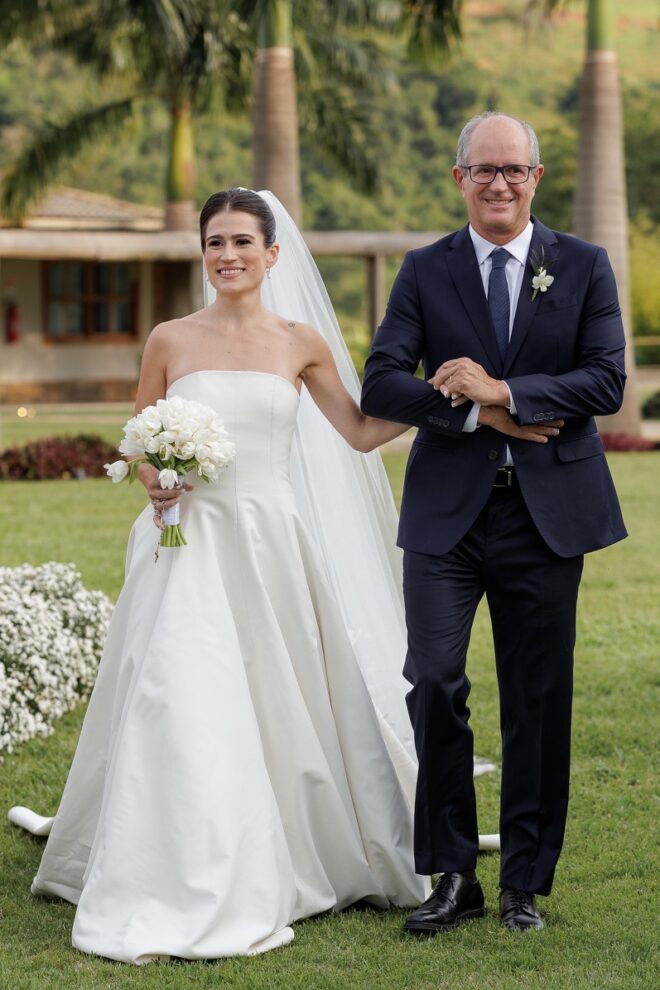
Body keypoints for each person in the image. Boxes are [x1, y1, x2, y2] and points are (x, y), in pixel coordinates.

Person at [9, 187, 441, 962]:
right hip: (183, 544)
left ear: (272, 253)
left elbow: (358, 432)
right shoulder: (169, 338)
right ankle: (172, 850)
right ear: (202, 252)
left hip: (271, 542)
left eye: (243, 241)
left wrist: (438, 394)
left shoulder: (300, 342)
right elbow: (140, 438)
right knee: (176, 689)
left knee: (279, 692)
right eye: (216, 242)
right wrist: (156, 479)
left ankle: (297, 838)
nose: (229, 255)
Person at [361, 111, 627, 933]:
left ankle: (522, 885)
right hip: (445, 517)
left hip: (546, 518)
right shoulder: (424, 269)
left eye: (514, 169)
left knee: (537, 699)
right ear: (460, 179)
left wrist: (505, 390)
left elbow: (605, 381)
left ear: (536, 178)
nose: (500, 183)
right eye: (485, 169)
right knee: (435, 682)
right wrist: (482, 415)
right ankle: (452, 876)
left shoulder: (583, 265)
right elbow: (381, 383)